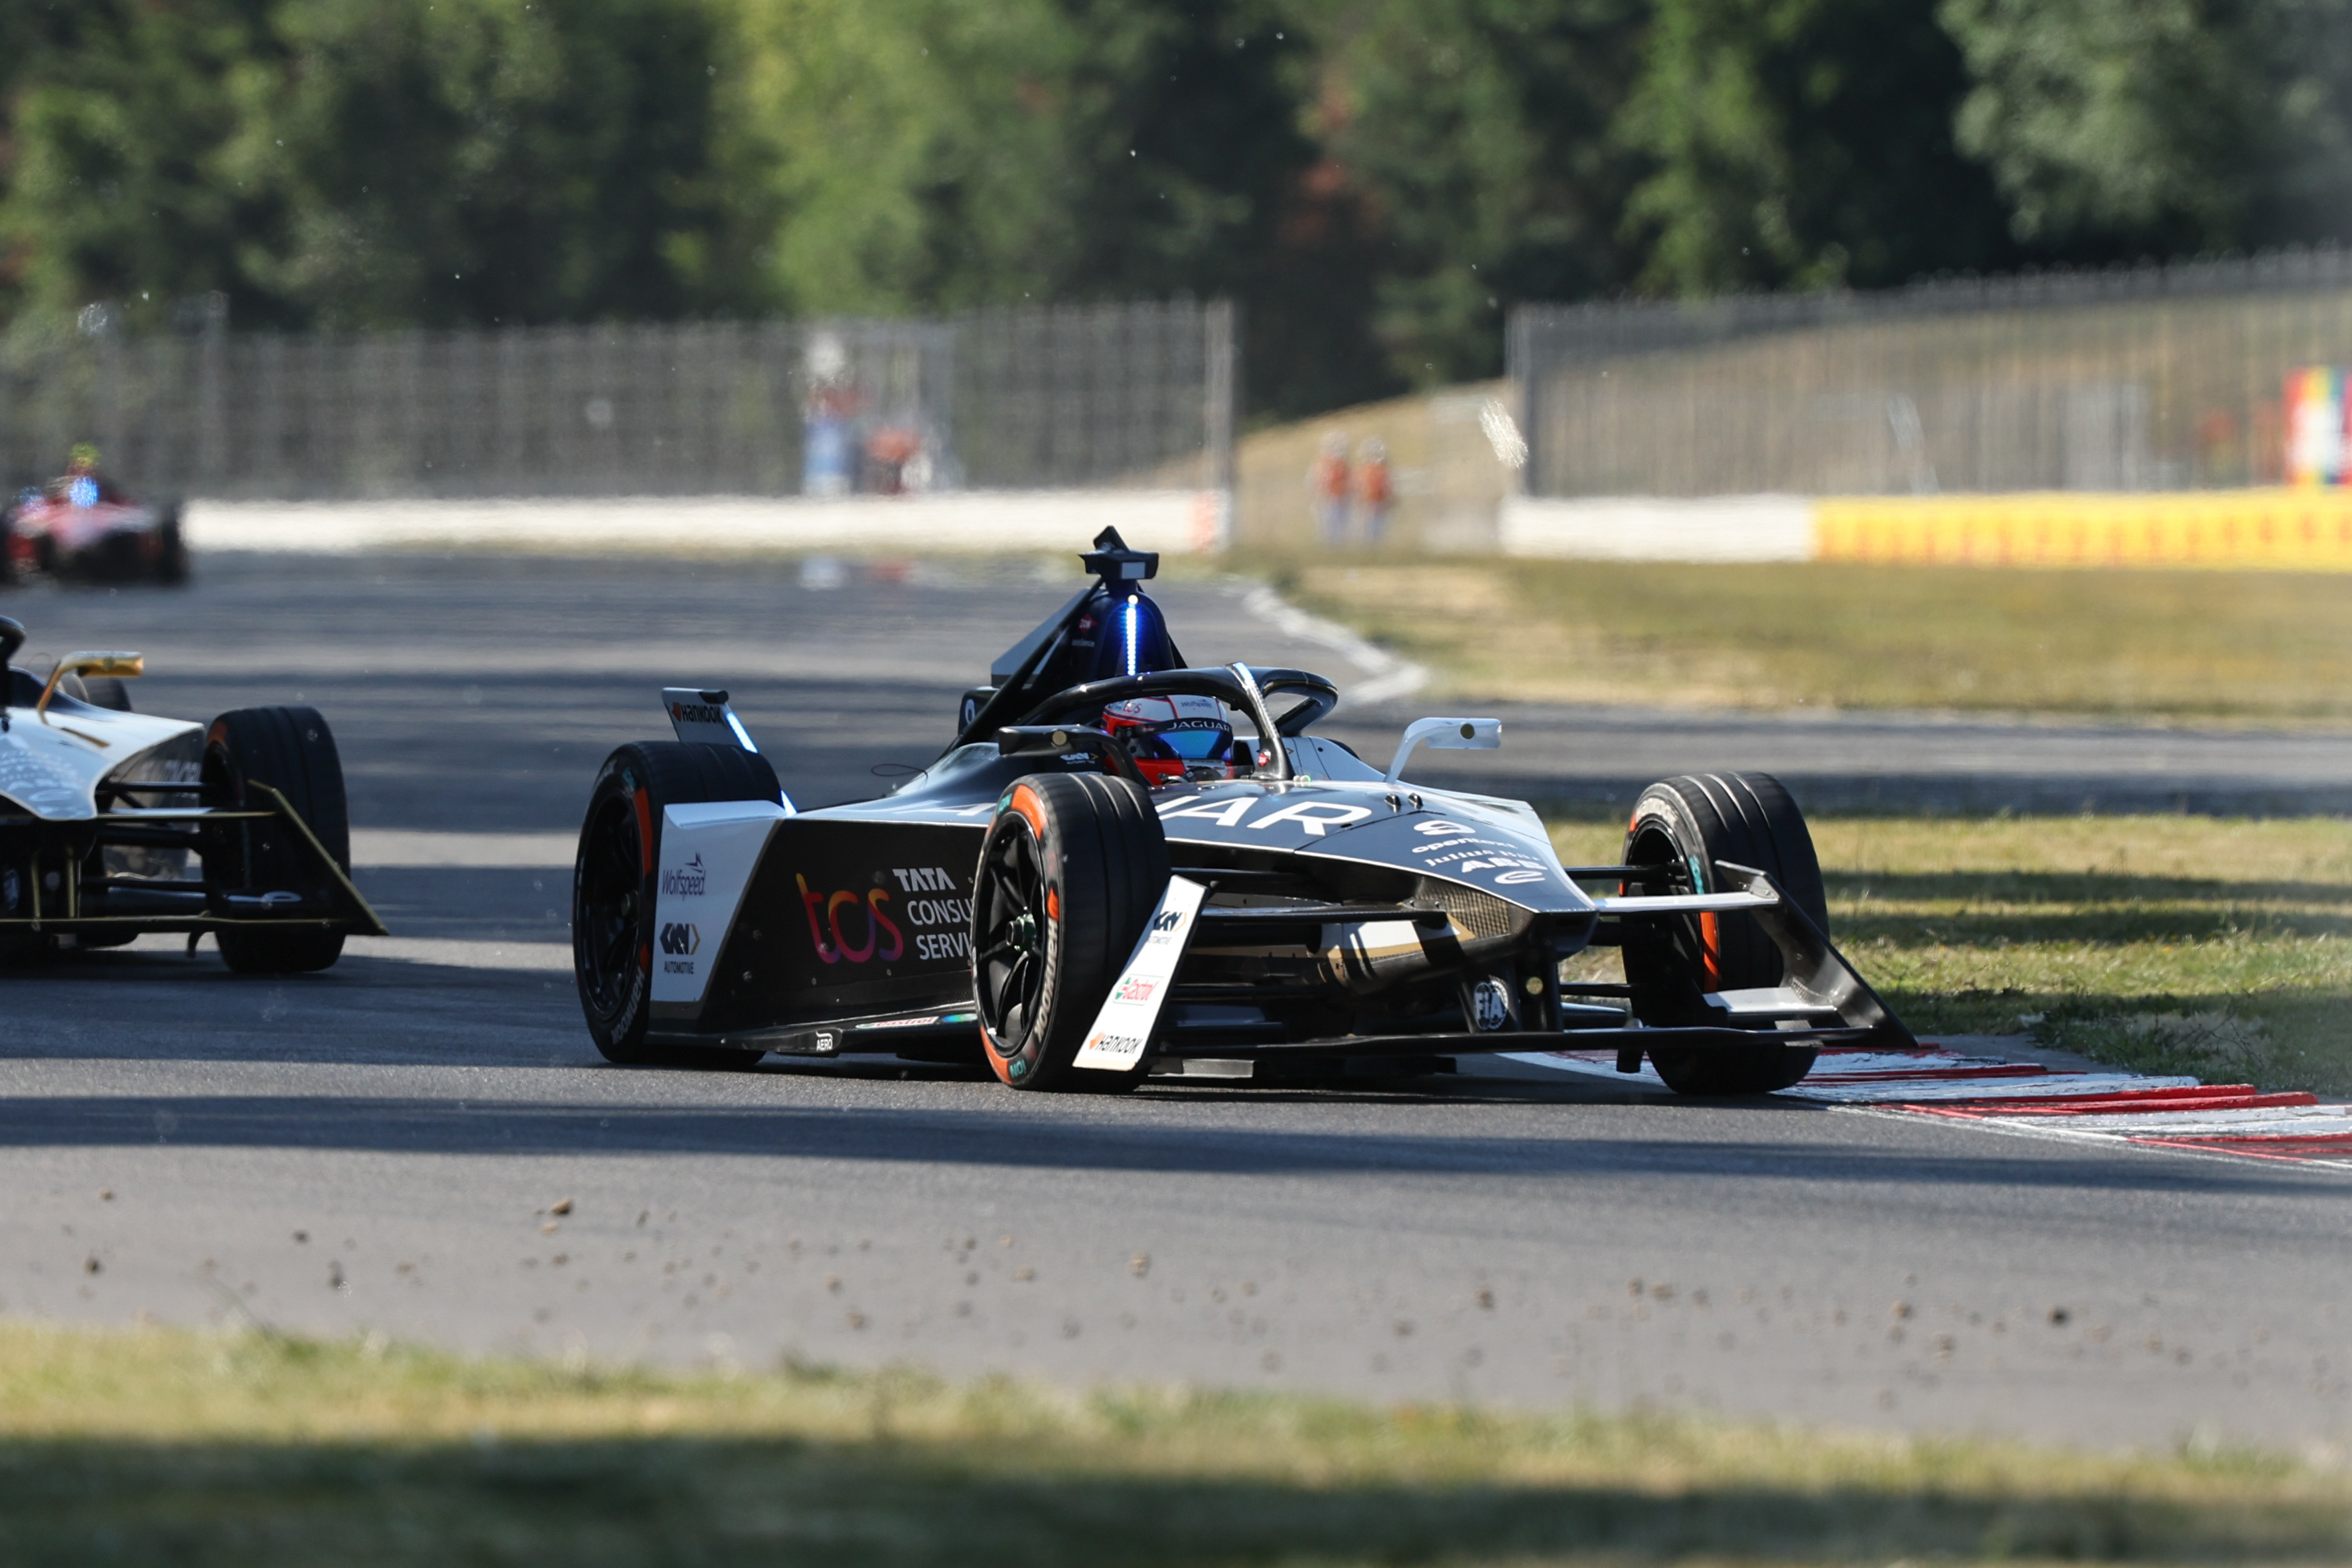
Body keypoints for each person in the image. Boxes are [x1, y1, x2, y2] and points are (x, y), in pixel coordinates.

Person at [1308, 430, 1350, 545]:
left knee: (1339, 524)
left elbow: (1347, 481)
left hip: (1340, 497)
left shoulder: (1342, 465)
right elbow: (1318, 481)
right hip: (1328, 498)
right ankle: (1328, 545)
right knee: (1327, 524)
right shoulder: (1323, 463)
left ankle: (1336, 545)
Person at [1355, 435, 1393, 545]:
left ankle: (1375, 544)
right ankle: (1367, 544)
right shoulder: (1364, 470)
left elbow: (1386, 486)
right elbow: (1359, 486)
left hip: (1379, 501)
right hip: (1368, 502)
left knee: (1378, 526)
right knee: (1367, 526)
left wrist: (1389, 497)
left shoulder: (1383, 470)